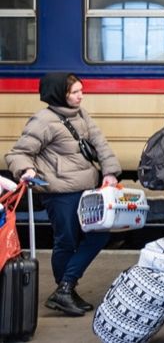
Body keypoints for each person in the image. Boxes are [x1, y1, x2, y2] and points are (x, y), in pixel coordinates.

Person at [5, 72, 121, 317]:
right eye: (75, 92)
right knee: (66, 241)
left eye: (81, 90)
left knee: (100, 235)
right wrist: (26, 169)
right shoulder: (43, 120)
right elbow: (18, 153)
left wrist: (110, 172)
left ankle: (65, 288)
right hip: (60, 193)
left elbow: (101, 144)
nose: (81, 96)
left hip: (87, 189)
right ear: (60, 94)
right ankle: (65, 290)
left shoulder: (81, 115)